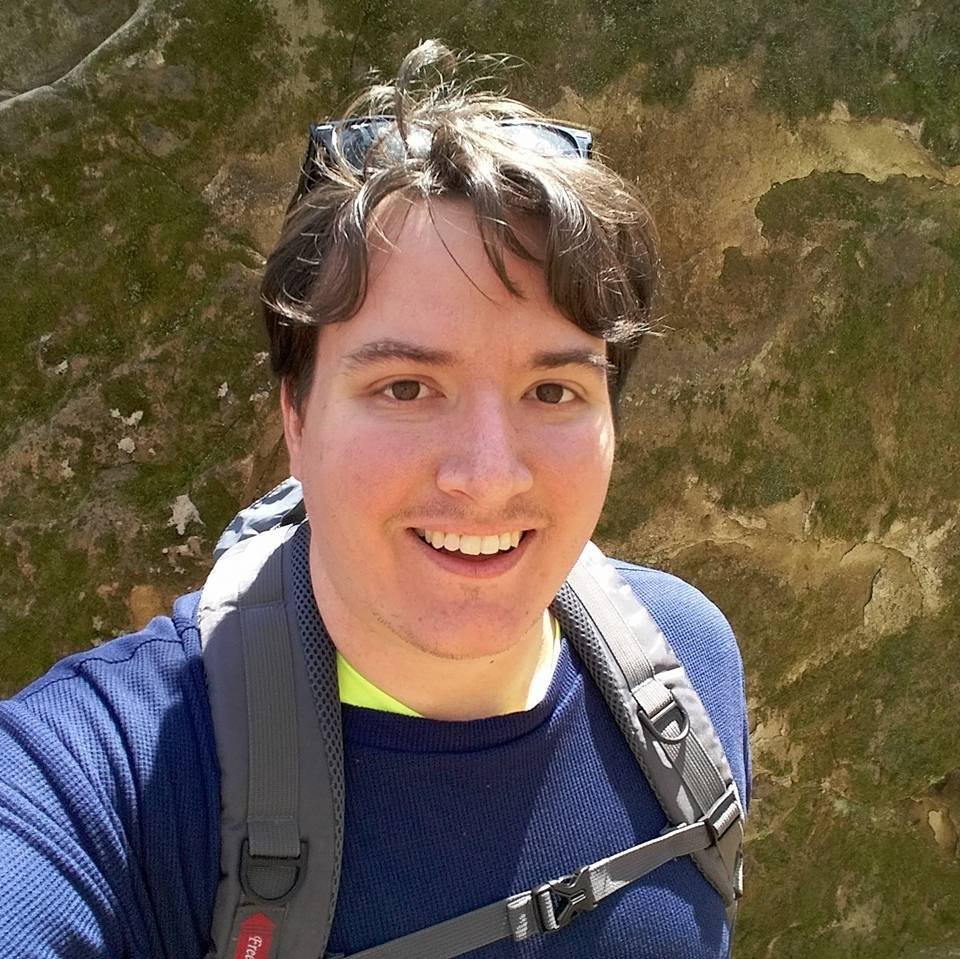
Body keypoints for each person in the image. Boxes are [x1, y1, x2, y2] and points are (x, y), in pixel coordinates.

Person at [0, 40, 749, 959]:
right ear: (295, 416)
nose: (488, 476)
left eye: (553, 390)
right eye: (405, 387)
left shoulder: (688, 665)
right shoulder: (107, 776)